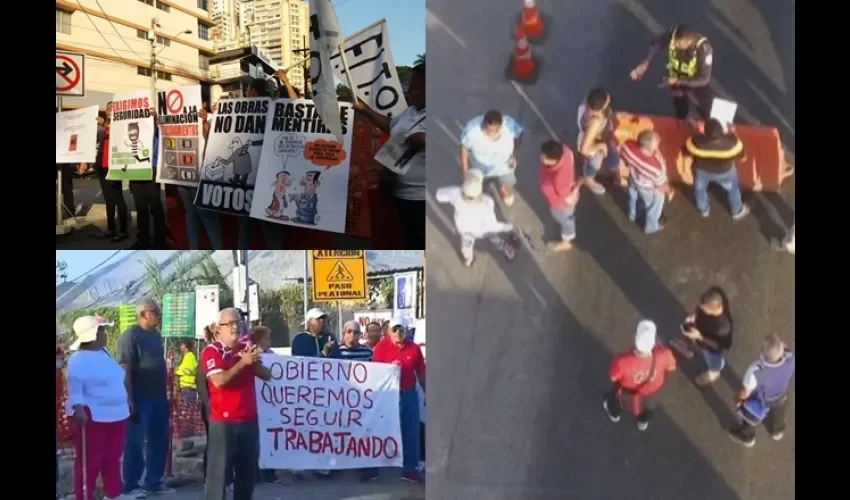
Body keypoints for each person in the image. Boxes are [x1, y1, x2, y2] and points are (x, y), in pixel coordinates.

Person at [202, 308, 272, 500]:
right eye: (230, 323)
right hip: (224, 422)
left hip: (248, 419)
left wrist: (254, 360)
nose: (235, 327)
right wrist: (242, 363)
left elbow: (267, 375)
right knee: (219, 475)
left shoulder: (245, 349)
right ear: (218, 330)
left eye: (238, 323)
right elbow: (219, 380)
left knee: (247, 474)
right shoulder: (212, 351)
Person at [354, 63, 426, 249]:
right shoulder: (410, 112)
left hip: (423, 200)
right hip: (398, 195)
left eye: (415, 87)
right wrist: (365, 111)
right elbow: (390, 125)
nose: (410, 92)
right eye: (409, 87)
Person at [66, 316, 131, 500]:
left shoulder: (105, 354)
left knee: (112, 458)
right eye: (101, 331)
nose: (104, 334)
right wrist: (78, 407)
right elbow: (75, 387)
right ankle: (85, 496)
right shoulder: (77, 360)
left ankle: (113, 494)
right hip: (93, 417)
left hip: (117, 415)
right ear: (92, 335)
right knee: (89, 462)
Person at [118, 299, 174, 497]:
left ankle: (153, 481)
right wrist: (129, 399)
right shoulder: (130, 336)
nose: (159, 315)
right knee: (134, 442)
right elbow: (125, 369)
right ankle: (131, 485)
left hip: (158, 397)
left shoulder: (156, 336)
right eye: (155, 312)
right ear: (143, 314)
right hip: (140, 398)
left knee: (159, 440)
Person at [368, 318, 426, 484]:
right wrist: (389, 368)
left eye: (401, 329)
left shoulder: (414, 348)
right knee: (378, 430)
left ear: (406, 330)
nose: (398, 333)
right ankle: (371, 469)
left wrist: (427, 390)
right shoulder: (381, 347)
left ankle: (409, 470)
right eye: (394, 330)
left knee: (411, 431)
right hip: (387, 396)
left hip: (408, 393)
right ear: (388, 332)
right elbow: (374, 372)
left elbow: (421, 372)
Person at [630, 24, 715, 123]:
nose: (674, 44)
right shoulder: (673, 35)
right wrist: (646, 62)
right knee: (680, 105)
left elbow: (704, 79)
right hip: (676, 80)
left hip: (695, 82)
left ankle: (710, 127)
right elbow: (655, 44)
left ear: (688, 42)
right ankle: (683, 121)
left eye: (678, 43)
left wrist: (679, 81)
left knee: (707, 108)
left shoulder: (704, 49)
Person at [604, 320, 677, 431]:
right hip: (652, 390)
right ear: (653, 343)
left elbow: (613, 377)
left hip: (628, 390)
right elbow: (672, 367)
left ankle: (615, 415)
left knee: (616, 402)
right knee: (648, 409)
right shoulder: (664, 354)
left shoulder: (622, 361)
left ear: (635, 338)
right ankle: (642, 422)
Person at [435, 169, 517, 267]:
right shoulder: (487, 202)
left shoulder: (455, 193)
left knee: (466, 245)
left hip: (464, 229)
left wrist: (456, 191)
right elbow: (492, 224)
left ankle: (468, 260)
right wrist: (508, 227)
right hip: (482, 230)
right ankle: (505, 248)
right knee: (493, 236)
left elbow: (438, 195)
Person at [728, 334, 795, 447]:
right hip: (780, 397)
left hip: (761, 401)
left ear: (762, 353)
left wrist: (738, 399)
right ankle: (776, 432)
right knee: (778, 417)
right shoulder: (791, 358)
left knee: (749, 418)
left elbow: (746, 392)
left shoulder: (755, 370)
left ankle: (747, 438)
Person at [177, 101, 223, 249]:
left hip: (200, 175)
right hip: (182, 175)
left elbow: (213, 141)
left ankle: (219, 251)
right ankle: (193, 248)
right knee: (190, 214)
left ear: (203, 103)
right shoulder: (179, 119)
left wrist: (204, 122)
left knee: (207, 215)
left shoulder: (211, 118)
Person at [685, 119, 750, 220]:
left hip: (702, 171)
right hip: (725, 172)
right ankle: (737, 211)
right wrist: (733, 132)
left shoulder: (695, 142)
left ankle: (704, 210)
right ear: (722, 131)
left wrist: (693, 129)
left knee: (700, 189)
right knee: (733, 190)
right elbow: (743, 158)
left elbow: (686, 152)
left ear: (705, 132)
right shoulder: (732, 143)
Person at [460, 109, 524, 207]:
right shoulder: (472, 130)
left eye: (496, 130)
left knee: (507, 182)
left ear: (501, 125)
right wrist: (465, 172)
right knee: (481, 186)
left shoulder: (510, 125)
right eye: (488, 130)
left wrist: (515, 154)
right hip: (480, 168)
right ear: (483, 123)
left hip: (505, 166)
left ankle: (503, 186)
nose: (491, 133)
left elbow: (519, 135)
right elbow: (464, 149)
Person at [619, 130, 671, 234]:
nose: (659, 140)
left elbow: (623, 154)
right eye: (656, 140)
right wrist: (670, 191)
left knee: (633, 196)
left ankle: (632, 215)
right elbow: (661, 185)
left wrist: (629, 164)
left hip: (633, 178)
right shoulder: (655, 167)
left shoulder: (627, 145)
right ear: (650, 146)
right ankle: (651, 227)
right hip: (647, 187)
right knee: (653, 206)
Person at [679, 287, 733, 386]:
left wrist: (700, 337)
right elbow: (699, 305)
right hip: (698, 332)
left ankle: (714, 372)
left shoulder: (723, 327)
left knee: (714, 361)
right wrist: (694, 314)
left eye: (704, 309)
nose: (701, 310)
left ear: (715, 309)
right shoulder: (713, 295)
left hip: (710, 348)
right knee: (688, 336)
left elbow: (719, 346)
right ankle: (688, 349)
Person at [129, 111, 166, 249]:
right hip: (134, 168)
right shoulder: (131, 125)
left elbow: (162, 131)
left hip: (151, 168)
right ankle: (143, 239)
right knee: (140, 206)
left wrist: (155, 116)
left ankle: (160, 240)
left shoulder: (153, 125)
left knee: (155, 206)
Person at [576, 88, 621, 195]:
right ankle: (589, 180)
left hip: (606, 138)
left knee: (614, 159)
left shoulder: (590, 103)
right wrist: (600, 146)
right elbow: (584, 149)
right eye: (607, 99)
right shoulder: (594, 122)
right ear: (602, 106)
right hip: (595, 144)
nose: (609, 97)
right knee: (593, 165)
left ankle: (615, 174)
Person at [538, 140, 579, 252]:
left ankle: (566, 242)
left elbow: (566, 196)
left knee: (566, 221)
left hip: (560, 205)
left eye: (545, 158)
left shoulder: (561, 177)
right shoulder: (564, 151)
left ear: (554, 160)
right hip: (559, 201)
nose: (541, 158)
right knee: (564, 217)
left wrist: (572, 197)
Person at [96, 104, 129, 242]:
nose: (109, 109)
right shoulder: (103, 129)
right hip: (101, 166)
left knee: (117, 198)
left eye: (112, 108)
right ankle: (110, 228)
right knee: (108, 199)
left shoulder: (120, 126)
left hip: (114, 166)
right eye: (108, 108)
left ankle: (123, 230)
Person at [174, 339, 198, 404]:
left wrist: (177, 371)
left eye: (182, 345)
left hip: (189, 387)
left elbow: (187, 370)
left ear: (185, 346)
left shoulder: (190, 356)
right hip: (185, 387)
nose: (180, 347)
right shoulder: (185, 356)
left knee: (188, 409)